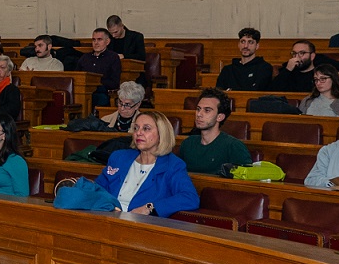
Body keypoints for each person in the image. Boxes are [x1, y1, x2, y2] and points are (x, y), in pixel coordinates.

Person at [53, 111, 199, 217]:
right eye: (136, 128)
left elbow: (190, 197)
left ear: (162, 134)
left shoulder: (172, 165)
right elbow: (100, 188)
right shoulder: (120, 157)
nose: (138, 133)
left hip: (141, 227)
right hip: (109, 219)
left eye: (146, 129)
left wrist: (150, 208)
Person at [177, 89, 252, 178]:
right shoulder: (187, 144)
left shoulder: (234, 146)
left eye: (207, 110)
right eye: (198, 109)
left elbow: (246, 183)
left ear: (220, 117)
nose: (199, 114)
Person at [79, 28, 126, 103]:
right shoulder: (85, 57)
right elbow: (77, 76)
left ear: (107, 41)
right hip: (83, 92)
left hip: (102, 92)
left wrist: (95, 83)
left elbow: (114, 82)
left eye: (99, 39)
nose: (96, 43)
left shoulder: (113, 57)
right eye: (94, 40)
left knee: (100, 98)